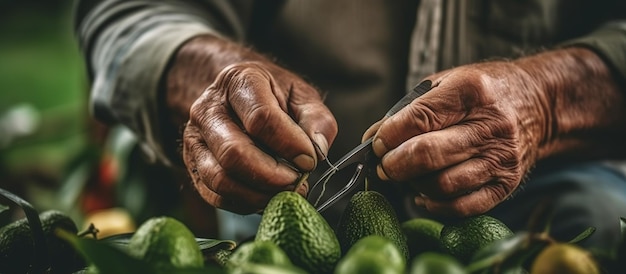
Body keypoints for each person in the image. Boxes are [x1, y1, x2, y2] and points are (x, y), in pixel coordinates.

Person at [74, 0, 626, 251]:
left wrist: (546, 99)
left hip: (556, 197)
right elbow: (128, 13)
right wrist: (212, 74)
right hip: (288, 201)